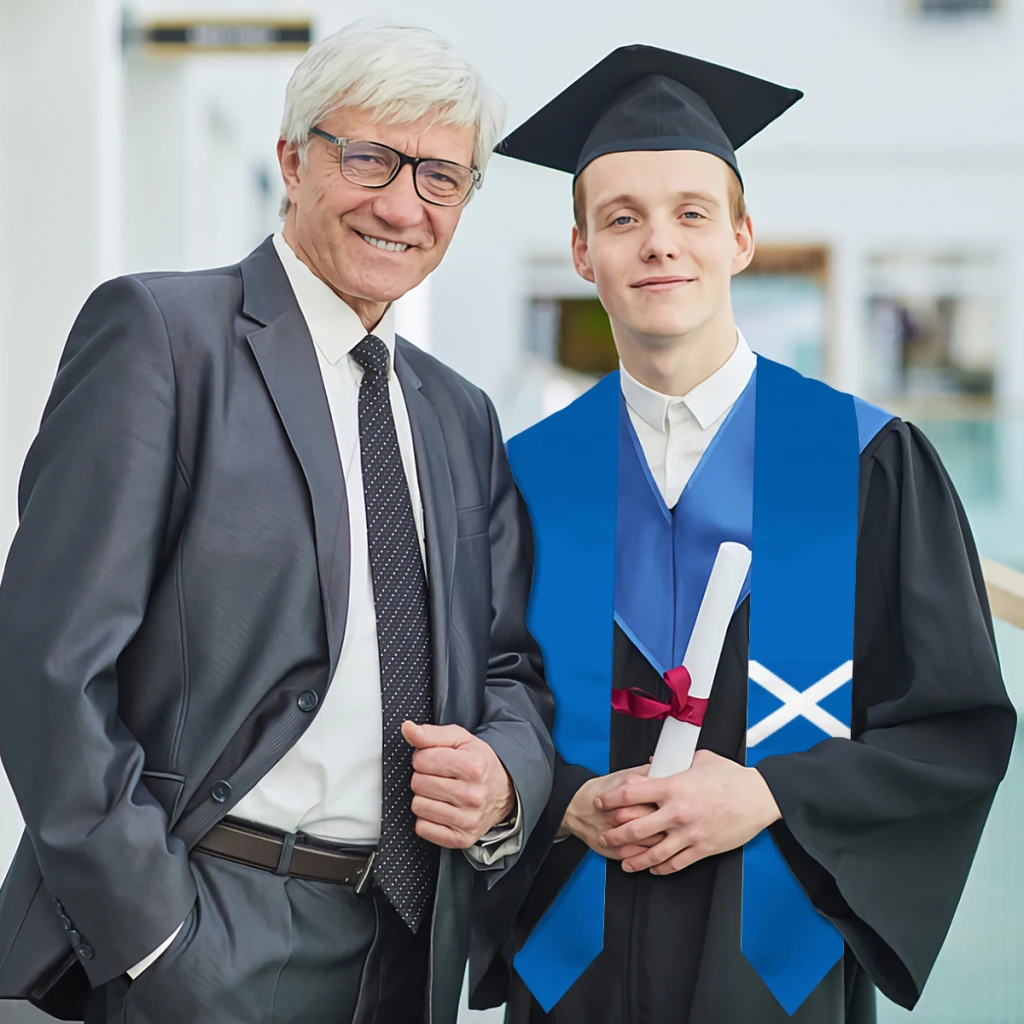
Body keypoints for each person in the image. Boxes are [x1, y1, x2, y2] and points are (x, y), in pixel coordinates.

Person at [0, 21, 554, 1024]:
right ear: (292, 160)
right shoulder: (164, 340)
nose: (401, 204)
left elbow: (507, 662)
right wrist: (153, 937)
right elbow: (49, 664)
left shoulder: (458, 412)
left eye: (440, 176)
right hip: (204, 928)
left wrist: (505, 777)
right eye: (369, 157)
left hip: (404, 942)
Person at [469, 44, 1016, 1024]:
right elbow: (472, 709)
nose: (657, 243)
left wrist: (772, 796)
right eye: (621, 218)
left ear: (742, 238)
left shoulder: (869, 463)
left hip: (776, 968)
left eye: (690, 212)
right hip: (574, 970)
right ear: (582, 252)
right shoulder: (519, 477)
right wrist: (562, 802)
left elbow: (951, 728)